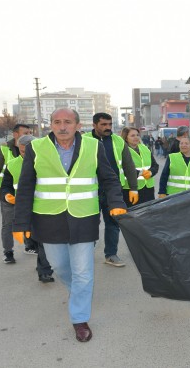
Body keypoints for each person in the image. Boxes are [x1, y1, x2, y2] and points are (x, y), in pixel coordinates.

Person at [12, 108, 127, 342]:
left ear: (77, 125)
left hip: (84, 217)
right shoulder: (36, 148)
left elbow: (109, 178)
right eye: (57, 122)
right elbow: (25, 187)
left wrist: (116, 202)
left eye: (67, 122)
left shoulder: (94, 147)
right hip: (48, 218)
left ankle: (79, 319)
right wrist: (20, 223)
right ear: (50, 125)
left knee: (83, 272)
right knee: (60, 266)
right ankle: (79, 294)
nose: (62, 126)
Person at [84, 112, 137, 267]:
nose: (108, 128)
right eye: (103, 125)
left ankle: (111, 254)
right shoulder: (84, 140)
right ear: (94, 125)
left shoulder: (117, 141)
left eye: (110, 124)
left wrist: (133, 188)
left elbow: (128, 165)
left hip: (113, 190)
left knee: (113, 223)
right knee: (89, 224)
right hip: (90, 190)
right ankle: (85, 254)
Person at [0, 134, 54, 282]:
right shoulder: (13, 165)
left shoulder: (48, 162)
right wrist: (7, 195)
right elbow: (5, 186)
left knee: (44, 240)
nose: (27, 154)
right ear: (19, 149)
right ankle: (15, 250)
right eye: (23, 151)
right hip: (23, 207)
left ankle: (44, 271)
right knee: (34, 238)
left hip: (43, 207)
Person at [0, 123, 33, 262]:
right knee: (8, 223)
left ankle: (29, 245)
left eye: (30, 132)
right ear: (15, 134)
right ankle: (8, 252)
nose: (28, 135)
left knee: (30, 222)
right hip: (7, 194)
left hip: (27, 196)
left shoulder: (34, 147)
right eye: (25, 132)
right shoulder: (4, 149)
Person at [121, 126, 158, 206]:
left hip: (148, 188)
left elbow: (155, 165)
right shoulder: (122, 150)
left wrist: (151, 172)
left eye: (137, 135)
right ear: (126, 138)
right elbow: (122, 169)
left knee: (148, 214)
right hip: (130, 189)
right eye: (132, 135)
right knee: (133, 215)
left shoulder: (145, 148)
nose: (136, 137)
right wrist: (140, 173)